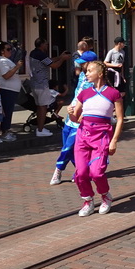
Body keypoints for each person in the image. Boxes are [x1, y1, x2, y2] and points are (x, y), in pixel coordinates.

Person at [71, 60, 124, 216]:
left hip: (101, 135)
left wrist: (114, 140)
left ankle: (105, 195)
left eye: (89, 71)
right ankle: (88, 199)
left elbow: (120, 119)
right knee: (80, 173)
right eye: (86, 71)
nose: (86, 73)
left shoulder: (113, 93)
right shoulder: (84, 94)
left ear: (100, 73)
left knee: (96, 172)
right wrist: (70, 113)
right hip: (83, 135)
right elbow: (75, 118)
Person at [50, 48, 96, 186]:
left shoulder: (96, 81)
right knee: (67, 145)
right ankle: (81, 170)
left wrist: (82, 114)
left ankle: (58, 169)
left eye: (83, 63)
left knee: (69, 146)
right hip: (71, 115)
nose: (80, 65)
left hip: (82, 117)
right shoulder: (82, 75)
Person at [28, 38, 70, 137]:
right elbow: (54, 65)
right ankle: (40, 130)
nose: (47, 46)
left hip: (35, 84)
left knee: (39, 106)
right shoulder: (40, 54)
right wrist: (62, 59)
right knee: (43, 107)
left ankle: (40, 127)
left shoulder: (34, 53)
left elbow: (49, 60)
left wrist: (59, 57)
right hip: (41, 85)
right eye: (46, 44)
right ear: (41, 44)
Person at [0, 40, 24, 141]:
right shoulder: (2, 61)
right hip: (6, 90)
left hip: (11, 90)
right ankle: (5, 132)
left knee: (8, 111)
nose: (10, 51)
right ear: (2, 51)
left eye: (11, 49)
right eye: (8, 49)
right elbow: (6, 75)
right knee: (6, 111)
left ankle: (6, 131)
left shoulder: (6, 60)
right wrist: (17, 66)